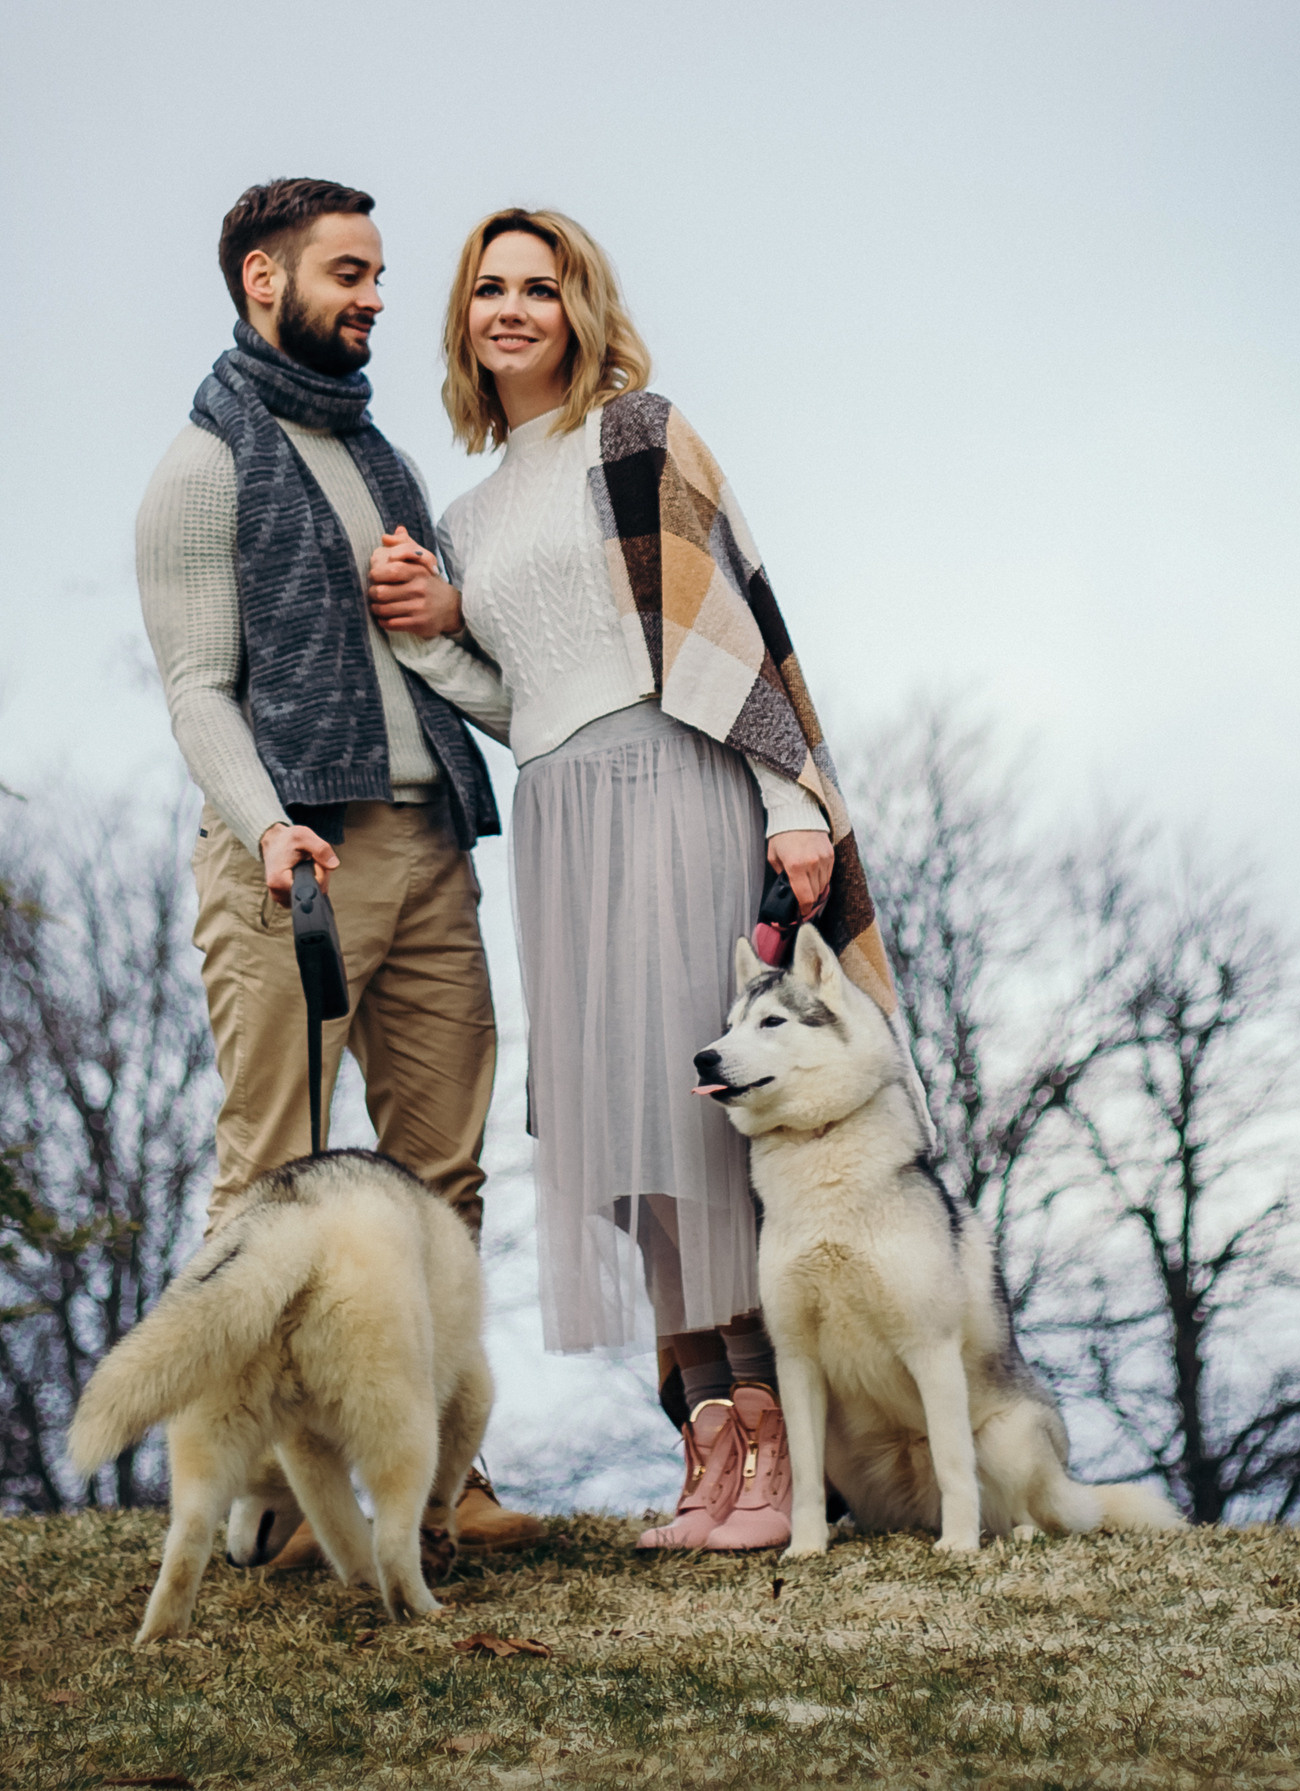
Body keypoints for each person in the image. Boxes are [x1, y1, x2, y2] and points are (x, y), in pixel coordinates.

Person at [375, 209, 899, 1553]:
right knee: (622, 1138)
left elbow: (738, 633)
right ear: (465, 322)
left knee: (708, 1123)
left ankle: (785, 1464)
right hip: (558, 818)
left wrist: (793, 804)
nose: (511, 309)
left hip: (678, 786)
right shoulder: (472, 510)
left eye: (538, 288)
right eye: (487, 289)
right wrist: (436, 639)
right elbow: (522, 700)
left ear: (580, 308)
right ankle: (708, 1454)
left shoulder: (639, 437)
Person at [134, 177, 541, 1553]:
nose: (377, 297)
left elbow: (426, 644)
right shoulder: (200, 468)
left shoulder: (383, 464)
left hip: (432, 851)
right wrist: (265, 825)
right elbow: (197, 690)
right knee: (273, 1182)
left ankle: (438, 1482)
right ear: (265, 280)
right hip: (293, 866)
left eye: (378, 275)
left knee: (446, 1183)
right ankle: (258, 1503)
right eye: (349, 274)